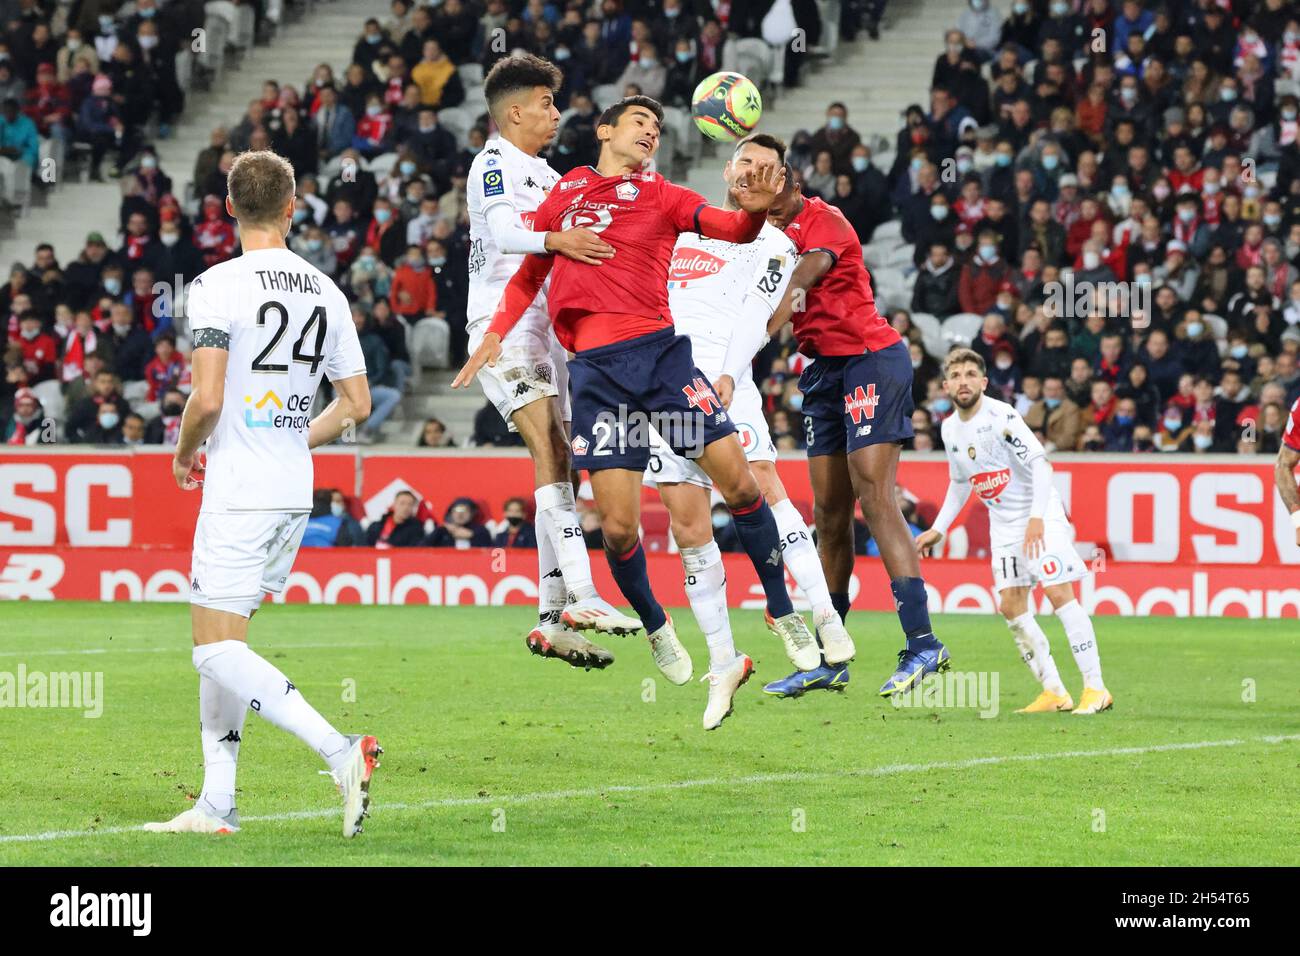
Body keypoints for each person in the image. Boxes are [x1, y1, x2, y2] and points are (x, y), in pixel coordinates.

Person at [456, 93, 814, 691]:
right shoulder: (567, 189)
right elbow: (530, 272)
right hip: (597, 376)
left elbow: (731, 227)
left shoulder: (664, 194)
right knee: (618, 529)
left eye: (658, 125)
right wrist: (494, 335)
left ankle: (781, 610)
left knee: (742, 484)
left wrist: (755, 208)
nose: (652, 132)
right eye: (641, 122)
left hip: (664, 364)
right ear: (605, 131)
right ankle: (654, 623)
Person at [147, 150, 381, 839]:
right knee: (228, 642)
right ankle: (217, 804)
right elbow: (357, 403)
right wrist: (290, 439)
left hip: (240, 491)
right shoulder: (325, 290)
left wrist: (186, 452)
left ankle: (340, 751)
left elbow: (209, 396)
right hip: (290, 491)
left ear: (227, 207)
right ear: (292, 205)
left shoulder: (218, 285)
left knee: (211, 650)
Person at [644, 133, 856, 725]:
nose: (752, 174)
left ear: (782, 179)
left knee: (763, 488)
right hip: (659, 381)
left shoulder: (773, 241)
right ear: (727, 171)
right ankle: (723, 663)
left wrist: (730, 375)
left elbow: (759, 318)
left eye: (766, 168)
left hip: (720, 378)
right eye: (744, 164)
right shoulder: (686, 227)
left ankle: (824, 615)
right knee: (688, 528)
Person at [462, 55, 642, 670]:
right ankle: (583, 595)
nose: (556, 112)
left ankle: (549, 620)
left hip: (554, 334)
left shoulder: (550, 174)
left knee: (562, 467)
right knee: (551, 450)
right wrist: (556, 239)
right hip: (501, 328)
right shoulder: (492, 164)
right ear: (515, 111)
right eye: (546, 102)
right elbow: (508, 232)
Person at [765, 161, 950, 697]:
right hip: (822, 370)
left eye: (778, 201)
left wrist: (757, 335)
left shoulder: (827, 221)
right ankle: (831, 655)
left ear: (796, 187)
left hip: (870, 357)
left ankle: (922, 642)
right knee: (828, 512)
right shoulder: (762, 231)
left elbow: (802, 278)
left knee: (876, 495)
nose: (771, 213)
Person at [916, 349, 1113, 715]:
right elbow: (961, 482)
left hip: (1039, 516)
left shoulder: (1001, 416)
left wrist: (1037, 518)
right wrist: (938, 528)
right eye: (956, 375)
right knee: (1011, 606)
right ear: (945, 386)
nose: (963, 381)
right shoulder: (948, 428)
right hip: (1003, 526)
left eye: (971, 374)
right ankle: (1054, 692)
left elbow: (1041, 463)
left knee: (1058, 593)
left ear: (984, 382)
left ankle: (1096, 688)